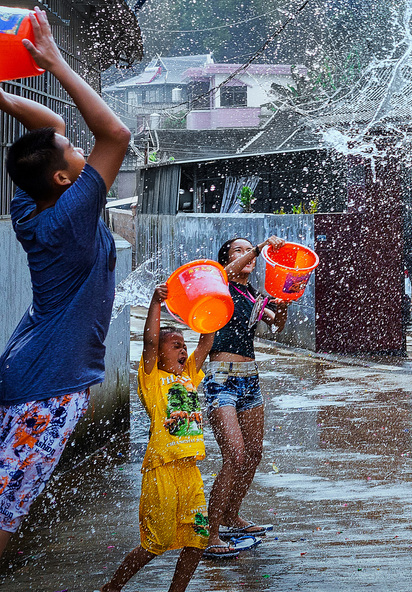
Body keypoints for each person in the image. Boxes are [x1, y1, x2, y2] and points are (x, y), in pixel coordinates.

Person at [0, 10, 130, 592]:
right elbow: (116, 135)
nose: (80, 150)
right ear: (66, 180)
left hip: (25, 373)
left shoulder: (33, 204)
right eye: (73, 154)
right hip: (48, 383)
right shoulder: (69, 217)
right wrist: (54, 62)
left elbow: (51, 124)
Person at [101, 284, 215, 592]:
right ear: (159, 354)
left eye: (182, 344)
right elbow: (149, 342)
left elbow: (206, 341)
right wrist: (155, 302)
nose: (182, 350)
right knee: (156, 542)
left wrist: (212, 302)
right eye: (175, 345)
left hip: (190, 472)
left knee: (199, 539)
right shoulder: (153, 379)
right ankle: (113, 587)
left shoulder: (188, 375)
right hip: (161, 470)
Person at [202, 234, 289, 557]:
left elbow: (275, 326)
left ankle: (231, 515)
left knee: (253, 454)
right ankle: (211, 534)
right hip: (221, 378)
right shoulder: (218, 284)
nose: (248, 256)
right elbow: (224, 272)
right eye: (239, 250)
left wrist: (282, 308)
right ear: (228, 258)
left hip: (250, 379)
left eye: (249, 249)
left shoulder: (253, 295)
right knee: (234, 456)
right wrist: (259, 248)